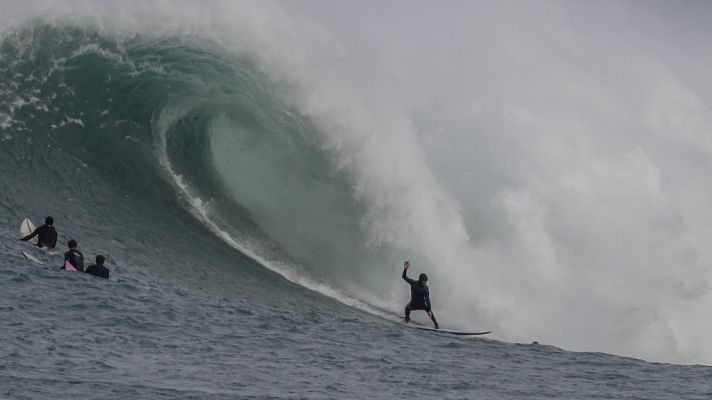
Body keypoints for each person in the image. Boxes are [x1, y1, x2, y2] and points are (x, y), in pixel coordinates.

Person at [402, 260, 439, 329]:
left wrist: (429, 310)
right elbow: (404, 277)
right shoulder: (413, 283)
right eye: (424, 282)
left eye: (426, 282)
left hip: (422, 305)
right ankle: (407, 320)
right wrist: (405, 269)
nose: (425, 283)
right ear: (420, 280)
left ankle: (436, 325)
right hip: (413, 304)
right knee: (407, 308)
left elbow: (428, 300)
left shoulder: (426, 288)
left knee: (429, 311)